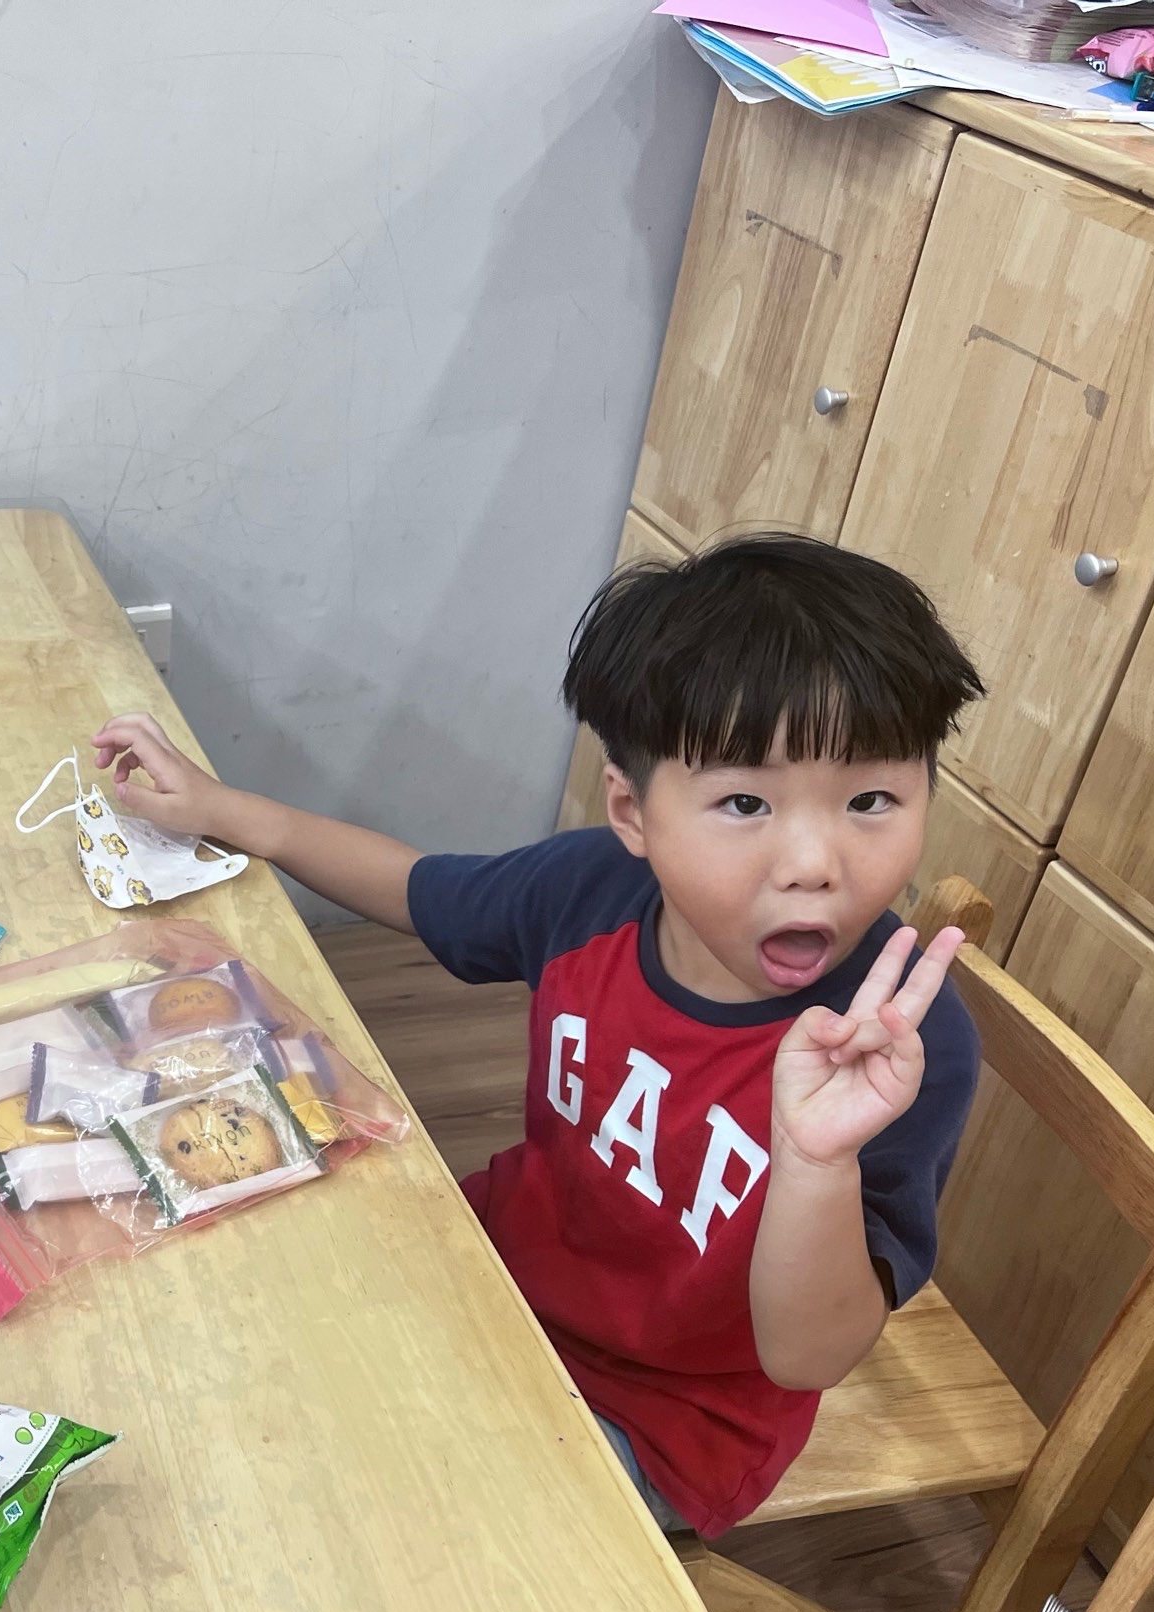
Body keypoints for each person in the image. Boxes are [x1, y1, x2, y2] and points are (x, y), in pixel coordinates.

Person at [92, 534, 988, 1542]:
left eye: (871, 801)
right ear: (632, 811)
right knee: (223, 1337)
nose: (815, 862)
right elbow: (418, 889)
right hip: (495, 1268)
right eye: (745, 802)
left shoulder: (900, 1052)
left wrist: (817, 1162)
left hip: (667, 1419)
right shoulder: (590, 889)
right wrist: (220, 809)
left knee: (373, 1523)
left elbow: (809, 1356)